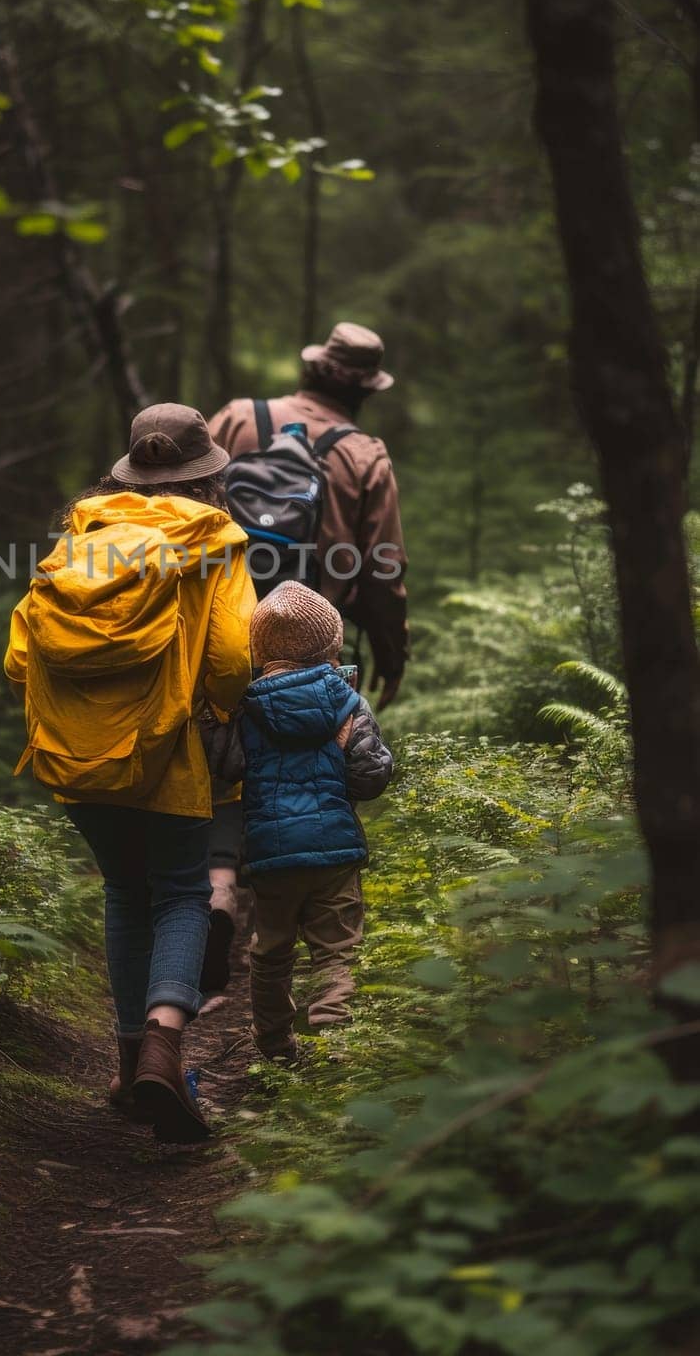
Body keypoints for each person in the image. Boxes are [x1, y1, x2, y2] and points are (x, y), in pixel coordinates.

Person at [4, 403, 255, 1143]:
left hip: (72, 751)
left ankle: (124, 1068)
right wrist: (216, 710)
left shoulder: (81, 533)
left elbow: (19, 656)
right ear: (205, 474)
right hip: (167, 751)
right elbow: (232, 661)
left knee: (124, 891)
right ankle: (162, 1052)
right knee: (181, 892)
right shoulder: (213, 542)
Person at [202, 320, 407, 987]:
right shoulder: (364, 454)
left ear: (311, 368)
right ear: (365, 389)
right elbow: (382, 568)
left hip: (223, 624)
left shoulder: (236, 419)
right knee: (308, 752)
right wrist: (387, 649)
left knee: (229, 745)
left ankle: (217, 888)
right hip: (313, 638)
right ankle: (307, 885)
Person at [240, 581, 393, 1063]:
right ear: (331, 645)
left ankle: (276, 1047)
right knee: (336, 950)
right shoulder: (348, 704)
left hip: (272, 855)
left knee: (271, 953)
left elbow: (224, 770)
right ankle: (332, 1039)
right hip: (336, 853)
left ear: (260, 649)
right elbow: (370, 778)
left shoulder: (244, 708)